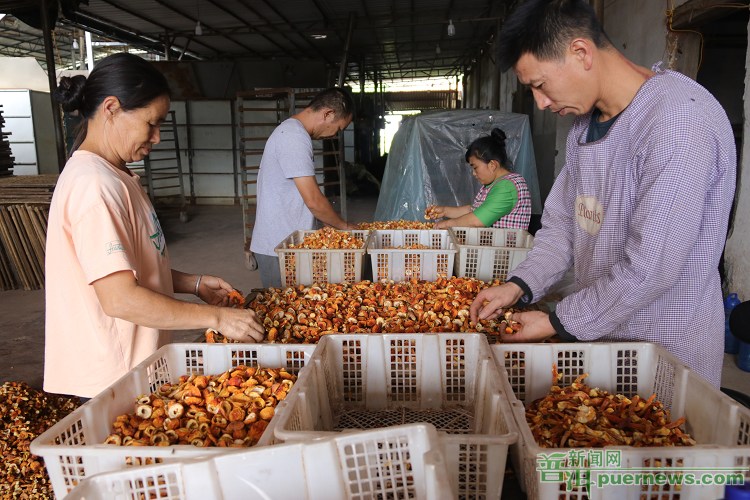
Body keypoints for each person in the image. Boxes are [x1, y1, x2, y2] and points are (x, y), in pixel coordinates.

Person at [470, 0, 735, 388]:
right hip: (601, 332)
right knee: (600, 443)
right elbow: (561, 225)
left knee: (658, 441)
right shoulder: (584, 127)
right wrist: (520, 285)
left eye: (540, 86)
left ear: (580, 52)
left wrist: (556, 320)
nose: (541, 103)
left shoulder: (677, 122)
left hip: (665, 348)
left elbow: (650, 268)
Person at [44, 53, 264, 399]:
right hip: (110, 379)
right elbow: (119, 299)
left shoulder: (118, 177)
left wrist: (194, 283)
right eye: (151, 123)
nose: (157, 137)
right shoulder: (94, 186)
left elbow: (130, 265)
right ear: (111, 108)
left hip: (133, 367)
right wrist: (217, 319)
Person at [250, 87, 355, 288]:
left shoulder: (293, 133)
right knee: (282, 310)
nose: (334, 135)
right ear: (328, 114)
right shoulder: (293, 137)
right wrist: (344, 226)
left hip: (288, 244)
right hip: (278, 247)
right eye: (338, 129)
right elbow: (314, 201)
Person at [426, 128, 531, 230]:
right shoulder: (495, 184)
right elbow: (473, 210)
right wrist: (444, 211)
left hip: (505, 247)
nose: (473, 173)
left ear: (492, 165)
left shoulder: (506, 187)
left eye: (475, 167)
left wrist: (446, 224)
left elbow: (476, 221)